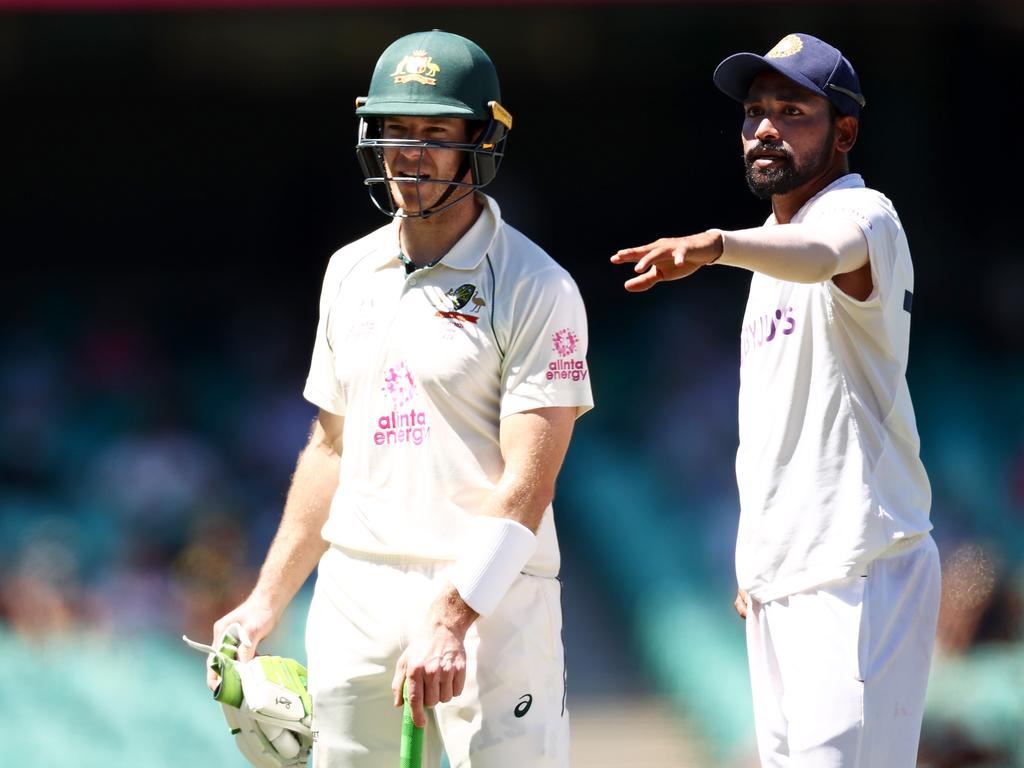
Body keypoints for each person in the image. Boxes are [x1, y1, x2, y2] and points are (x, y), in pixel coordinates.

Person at [210, 30, 593, 768]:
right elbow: (329, 449)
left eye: (433, 133)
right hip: (356, 591)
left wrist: (452, 616)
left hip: (490, 601)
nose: (408, 152)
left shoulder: (536, 285)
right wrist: (265, 601)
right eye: (393, 130)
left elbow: (529, 482)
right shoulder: (349, 271)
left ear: (479, 141)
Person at [611, 33, 940, 767]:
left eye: (792, 110)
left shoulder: (867, 216)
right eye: (756, 111)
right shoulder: (769, 247)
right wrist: (755, 561)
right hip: (783, 579)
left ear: (844, 132)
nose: (765, 127)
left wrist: (714, 245)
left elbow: (825, 255)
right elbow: (774, 429)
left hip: (859, 568)